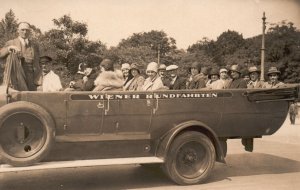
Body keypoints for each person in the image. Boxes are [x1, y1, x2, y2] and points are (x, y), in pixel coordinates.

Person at [0, 22, 41, 91]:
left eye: (27, 30)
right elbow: (1, 54)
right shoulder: (11, 42)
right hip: (16, 78)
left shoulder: (34, 45)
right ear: (18, 30)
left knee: (31, 99)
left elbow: (38, 63)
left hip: (31, 78)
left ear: (29, 31)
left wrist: (38, 80)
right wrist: (9, 48)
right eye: (22, 30)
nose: (25, 32)